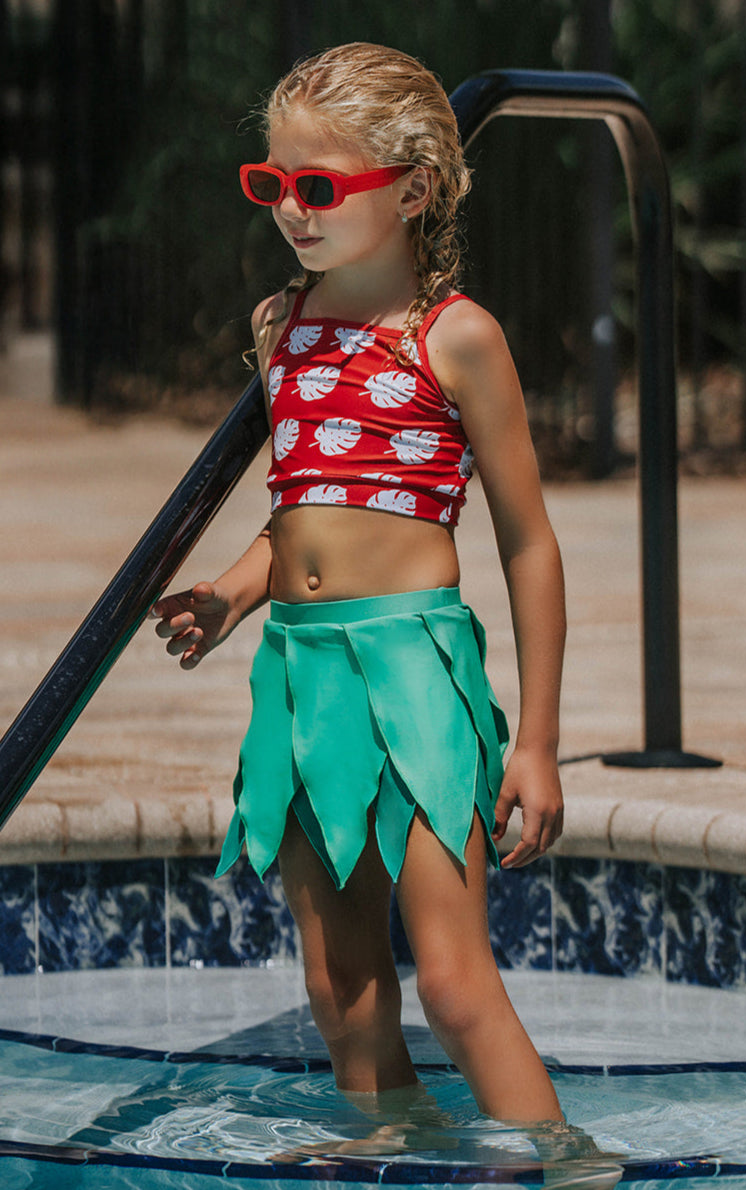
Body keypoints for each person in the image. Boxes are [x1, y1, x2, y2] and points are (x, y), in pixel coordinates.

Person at [152, 42, 566, 1128]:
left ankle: (566, 1163)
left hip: (414, 672)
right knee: (338, 984)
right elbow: (303, 503)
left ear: (416, 186)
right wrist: (237, 593)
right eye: (273, 184)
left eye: (320, 186)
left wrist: (533, 738)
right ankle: (393, 1145)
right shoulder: (281, 326)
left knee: (452, 980)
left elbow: (527, 542)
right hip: (303, 676)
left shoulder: (455, 338)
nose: (291, 208)